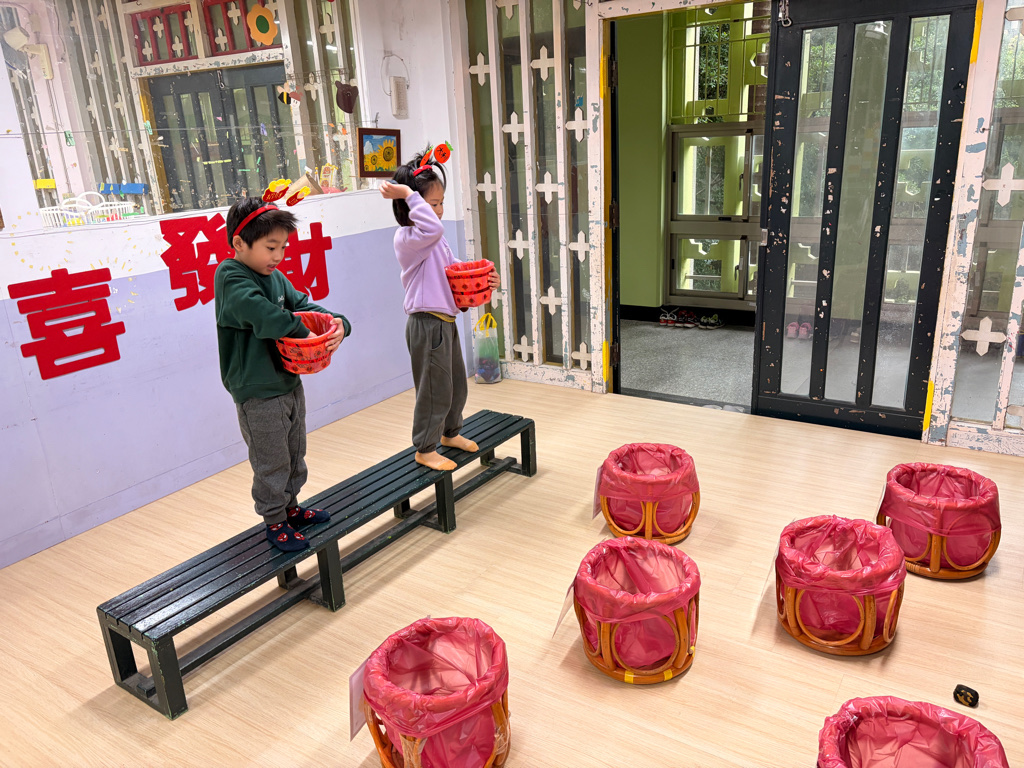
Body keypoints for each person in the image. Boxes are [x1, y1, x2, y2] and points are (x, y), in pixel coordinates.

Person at [215, 197, 351, 551]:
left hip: (288, 380)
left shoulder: (275, 278)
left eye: (283, 248)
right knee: (270, 459)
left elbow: (303, 305)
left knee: (294, 451)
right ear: (239, 243)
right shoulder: (230, 276)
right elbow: (262, 313)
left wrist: (338, 323)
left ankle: (291, 508)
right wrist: (305, 332)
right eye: (270, 247)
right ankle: (275, 520)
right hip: (257, 390)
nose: (277, 256)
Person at [381, 148, 500, 471]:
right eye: (432, 204)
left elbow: (453, 269)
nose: (439, 210)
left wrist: (485, 278)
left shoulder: (432, 239)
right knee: (434, 389)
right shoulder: (408, 238)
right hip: (426, 323)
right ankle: (425, 447)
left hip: (444, 321)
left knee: (455, 385)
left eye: (440, 203)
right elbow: (433, 230)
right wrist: (408, 193)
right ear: (410, 206)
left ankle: (450, 433)